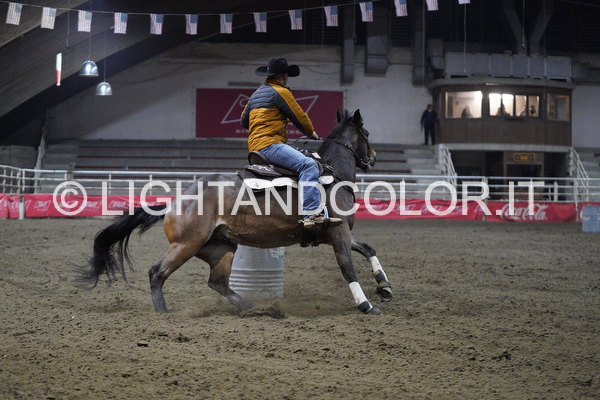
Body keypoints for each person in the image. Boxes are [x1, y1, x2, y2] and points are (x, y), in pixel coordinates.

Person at [241, 57, 342, 229]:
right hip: (271, 145)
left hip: (255, 147)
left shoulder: (256, 95)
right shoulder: (281, 92)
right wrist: (311, 133)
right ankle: (312, 213)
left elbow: (244, 121)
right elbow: (299, 116)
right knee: (309, 165)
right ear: (284, 75)